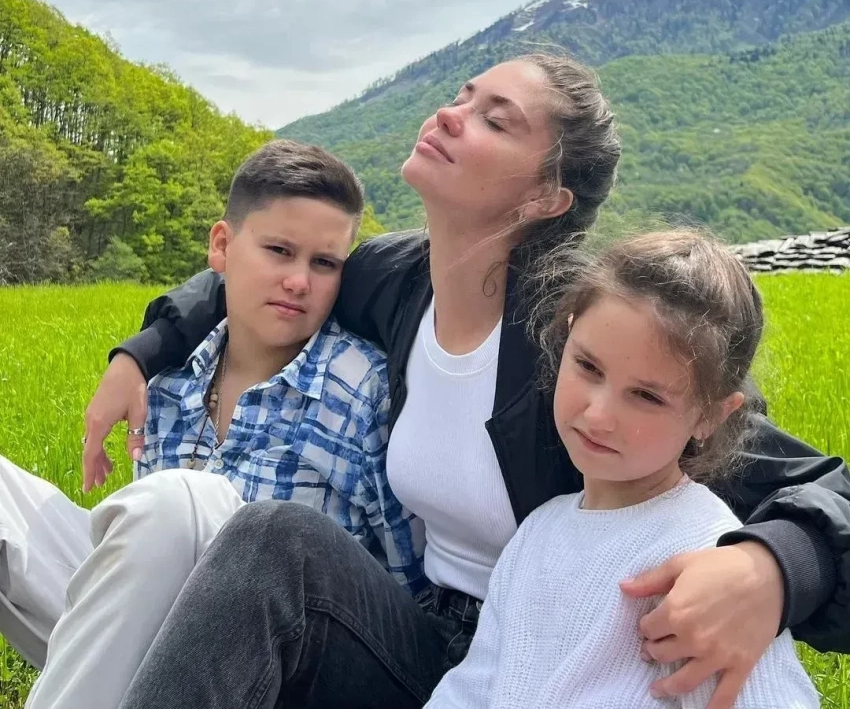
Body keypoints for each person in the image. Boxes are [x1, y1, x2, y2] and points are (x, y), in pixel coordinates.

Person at [90, 53, 849, 709]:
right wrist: (144, 351)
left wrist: (770, 569)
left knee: (270, 540)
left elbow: (813, 484)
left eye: (495, 120)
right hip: (423, 646)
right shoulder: (390, 279)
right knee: (264, 541)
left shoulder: (587, 342)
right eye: (462, 95)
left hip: (559, 657)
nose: (451, 116)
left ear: (545, 198)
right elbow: (267, 272)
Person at [15, 139, 424, 709]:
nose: (299, 281)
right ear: (222, 246)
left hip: (273, 670)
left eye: (324, 263)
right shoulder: (167, 380)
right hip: (143, 634)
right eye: (279, 250)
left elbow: (408, 594)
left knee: (179, 501)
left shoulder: (361, 393)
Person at [424, 230, 819, 708]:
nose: (597, 416)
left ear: (711, 416)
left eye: (647, 396)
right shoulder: (538, 530)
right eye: (588, 367)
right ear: (567, 334)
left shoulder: (703, 560)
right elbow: (473, 687)